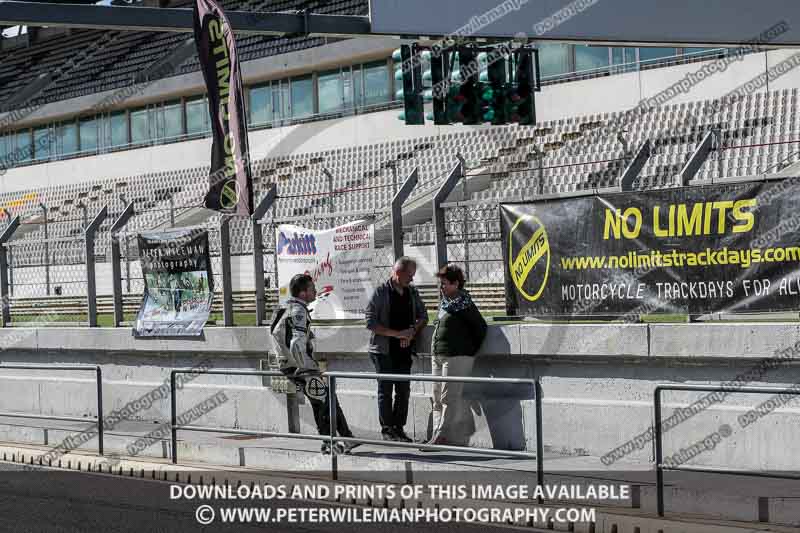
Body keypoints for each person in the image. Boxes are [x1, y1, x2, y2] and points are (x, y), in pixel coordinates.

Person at [271, 273, 360, 455]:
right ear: (303, 293)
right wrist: (308, 368)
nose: (315, 292)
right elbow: (296, 343)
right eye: (312, 289)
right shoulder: (298, 311)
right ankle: (335, 442)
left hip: (288, 364)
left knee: (323, 401)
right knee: (325, 401)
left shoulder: (284, 307)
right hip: (300, 367)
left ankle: (340, 440)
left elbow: (276, 335)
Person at [365, 257, 428, 442]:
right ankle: (387, 429)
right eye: (410, 275)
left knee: (403, 390)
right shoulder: (380, 292)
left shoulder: (412, 293)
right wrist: (397, 334)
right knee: (385, 389)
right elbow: (370, 323)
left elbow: (424, 316)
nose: (412, 279)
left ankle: (399, 428)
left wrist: (411, 332)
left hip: (404, 349)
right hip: (383, 350)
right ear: (398, 272)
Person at [425, 263, 487, 447]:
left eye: (445, 283)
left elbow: (481, 328)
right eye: (441, 283)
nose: (441, 287)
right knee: (436, 397)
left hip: (456, 356)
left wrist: (468, 351)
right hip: (438, 355)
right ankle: (436, 434)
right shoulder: (445, 304)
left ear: (456, 284)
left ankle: (442, 435)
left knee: (448, 397)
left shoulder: (465, 304)